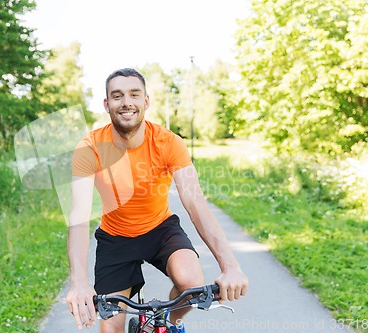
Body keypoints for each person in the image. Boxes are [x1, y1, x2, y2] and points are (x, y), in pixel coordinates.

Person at [66, 68, 248, 333]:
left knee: (192, 282)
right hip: (115, 237)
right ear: (107, 105)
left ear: (146, 101)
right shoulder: (90, 147)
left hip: (160, 229)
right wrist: (79, 282)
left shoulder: (168, 143)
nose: (126, 102)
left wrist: (230, 266)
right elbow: (78, 217)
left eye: (134, 94)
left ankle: (172, 324)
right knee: (110, 330)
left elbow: (195, 203)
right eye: (117, 96)